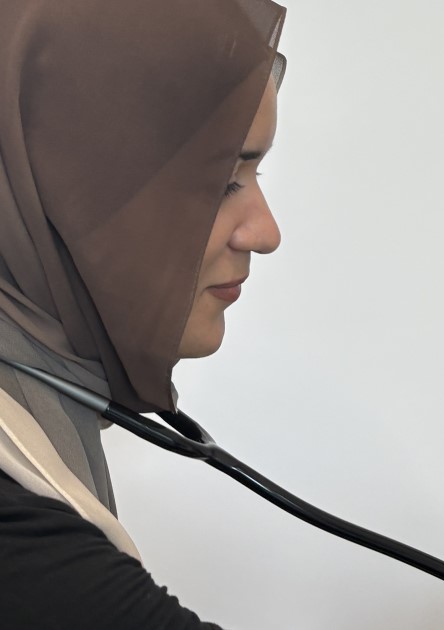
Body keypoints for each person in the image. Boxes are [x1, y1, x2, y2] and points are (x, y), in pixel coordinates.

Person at [0, 0, 285, 626]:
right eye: (222, 183)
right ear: (71, 191)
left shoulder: (38, 406)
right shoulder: (21, 544)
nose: (266, 233)